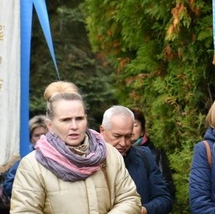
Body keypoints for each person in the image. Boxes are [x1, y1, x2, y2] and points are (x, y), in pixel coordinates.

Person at [9, 81, 141, 213]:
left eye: (79, 118)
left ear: (86, 119)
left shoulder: (109, 154)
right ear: (50, 125)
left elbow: (129, 199)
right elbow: (24, 211)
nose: (74, 126)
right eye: (66, 120)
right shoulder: (32, 165)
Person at [101, 106, 173, 214]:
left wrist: (143, 210)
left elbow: (164, 199)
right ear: (102, 130)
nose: (123, 143)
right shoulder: (87, 162)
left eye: (128, 136)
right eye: (117, 136)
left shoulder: (144, 157)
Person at [131, 107, 176, 199]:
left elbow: (166, 189)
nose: (131, 130)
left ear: (142, 131)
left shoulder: (154, 154)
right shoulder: (114, 153)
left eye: (135, 125)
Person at [1, 115, 48, 198]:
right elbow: (8, 185)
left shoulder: (60, 153)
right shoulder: (24, 156)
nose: (41, 138)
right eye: (37, 135)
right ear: (31, 138)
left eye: (44, 134)